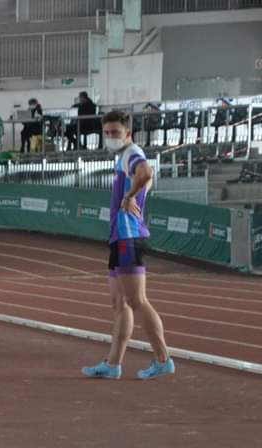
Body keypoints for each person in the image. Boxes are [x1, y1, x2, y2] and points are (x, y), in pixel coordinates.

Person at [82, 110, 174, 381]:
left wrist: (130, 196)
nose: (110, 137)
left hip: (128, 235)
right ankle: (113, 364)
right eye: (107, 133)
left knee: (136, 300)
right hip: (119, 236)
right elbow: (146, 178)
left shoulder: (132, 152)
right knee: (119, 301)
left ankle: (163, 359)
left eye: (115, 133)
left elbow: (146, 172)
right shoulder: (124, 157)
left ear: (128, 134)